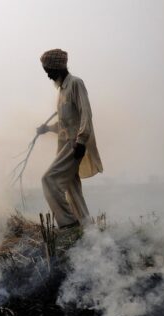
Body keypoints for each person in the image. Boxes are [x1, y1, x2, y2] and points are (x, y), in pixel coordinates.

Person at [36, 48, 103, 235]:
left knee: (48, 179)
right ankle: (86, 227)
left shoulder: (75, 84)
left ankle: (68, 225)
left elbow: (85, 114)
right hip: (65, 144)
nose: (48, 75)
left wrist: (81, 141)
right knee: (71, 188)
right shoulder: (61, 91)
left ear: (58, 67)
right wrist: (48, 129)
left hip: (74, 144)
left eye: (49, 71)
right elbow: (66, 123)